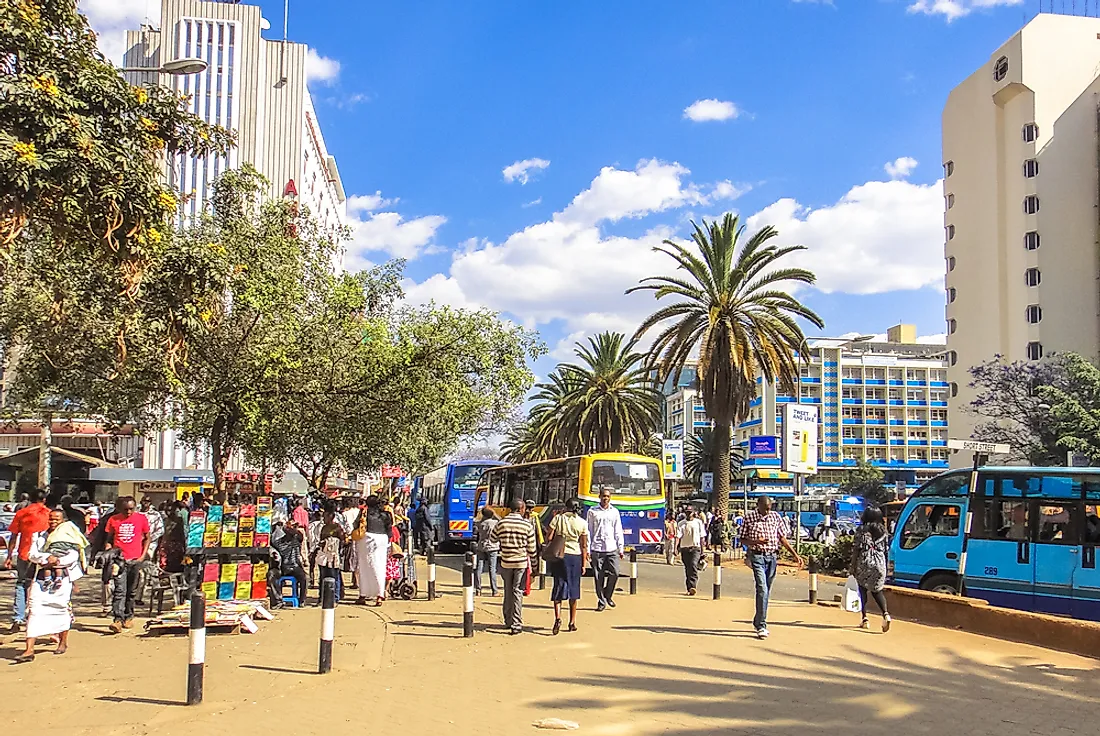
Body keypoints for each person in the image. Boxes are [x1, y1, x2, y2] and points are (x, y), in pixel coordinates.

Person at [13, 510, 88, 662]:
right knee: (34, 610)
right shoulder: (40, 535)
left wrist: (58, 561)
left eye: (57, 519)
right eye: (51, 519)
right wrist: (47, 558)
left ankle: (63, 642)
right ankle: (29, 649)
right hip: (40, 578)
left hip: (62, 580)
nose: (54, 521)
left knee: (61, 609)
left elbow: (73, 555)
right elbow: (32, 554)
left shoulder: (69, 535)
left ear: (63, 520)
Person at [741, 496, 803, 639]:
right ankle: (762, 625)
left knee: (766, 590)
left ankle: (758, 620)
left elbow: (782, 537)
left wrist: (795, 554)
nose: (768, 511)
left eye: (770, 508)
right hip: (757, 556)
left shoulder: (775, 517)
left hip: (772, 557)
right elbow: (742, 538)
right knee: (762, 588)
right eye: (765, 508)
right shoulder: (749, 518)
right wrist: (757, 541)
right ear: (759, 506)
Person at [4, 489, 50, 634]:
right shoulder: (49, 514)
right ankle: (41, 618)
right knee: (44, 585)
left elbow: (13, 536)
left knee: (22, 584)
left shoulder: (22, 513)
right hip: (44, 556)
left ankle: (18, 618)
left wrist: (10, 555)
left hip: (25, 553)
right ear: (44, 500)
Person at [103, 496, 151, 633]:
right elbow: (109, 539)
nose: (128, 512)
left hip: (135, 560)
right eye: (125, 509)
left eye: (131, 509)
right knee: (119, 590)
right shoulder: (113, 520)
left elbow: (148, 537)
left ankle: (128, 616)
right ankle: (117, 619)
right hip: (119, 560)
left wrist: (142, 556)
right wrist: (109, 554)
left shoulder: (141, 519)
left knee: (132, 591)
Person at [489, 497, 536, 635]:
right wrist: (534, 566)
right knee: (517, 592)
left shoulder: (501, 523)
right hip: (521, 563)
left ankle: (508, 620)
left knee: (508, 591)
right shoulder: (527, 525)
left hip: (506, 562)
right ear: (521, 509)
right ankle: (516, 623)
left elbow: (493, 539)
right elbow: (532, 549)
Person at [547, 498, 589, 635]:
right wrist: (584, 564)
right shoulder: (582, 523)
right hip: (575, 556)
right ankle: (572, 622)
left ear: (566, 507)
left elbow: (549, 537)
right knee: (573, 589)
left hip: (560, 555)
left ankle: (558, 618)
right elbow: (584, 545)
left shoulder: (558, 518)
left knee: (558, 585)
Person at [851, 507, 891, 633]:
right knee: (877, 590)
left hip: (865, 561)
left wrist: (852, 566)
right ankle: (885, 614)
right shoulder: (884, 531)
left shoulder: (861, 530)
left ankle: (865, 618)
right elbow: (886, 550)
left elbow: (857, 549)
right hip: (880, 562)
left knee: (862, 588)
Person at [587, 489, 624, 612]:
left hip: (611, 547)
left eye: (607, 496)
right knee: (599, 576)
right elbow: (589, 531)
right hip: (597, 548)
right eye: (603, 496)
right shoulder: (592, 511)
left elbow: (618, 530)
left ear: (610, 498)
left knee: (615, 572)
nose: (605, 498)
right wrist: (588, 549)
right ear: (599, 497)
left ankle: (608, 595)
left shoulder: (614, 512)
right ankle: (601, 601)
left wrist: (621, 547)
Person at [355, 495, 392, 606]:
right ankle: (380, 596)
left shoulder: (364, 513)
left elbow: (356, 525)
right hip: (382, 540)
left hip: (366, 539)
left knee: (364, 567)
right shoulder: (386, 514)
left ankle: (363, 595)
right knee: (380, 567)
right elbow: (389, 530)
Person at [269, 519, 309, 608]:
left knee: (305, 577)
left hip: (295, 567)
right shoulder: (278, 542)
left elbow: (299, 535)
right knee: (271, 575)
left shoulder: (297, 539)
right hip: (282, 567)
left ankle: (302, 600)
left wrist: (294, 528)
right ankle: (278, 600)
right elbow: (271, 544)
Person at [315, 509, 346, 603]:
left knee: (334, 576)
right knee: (322, 577)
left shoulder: (337, 527)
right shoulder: (324, 528)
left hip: (334, 555)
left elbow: (343, 540)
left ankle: (335, 597)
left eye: (325, 517)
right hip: (323, 555)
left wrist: (333, 543)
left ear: (330, 517)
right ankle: (322, 597)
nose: (323, 519)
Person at [676, 506, 707, 595]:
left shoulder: (698, 522)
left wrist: (702, 550)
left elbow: (702, 537)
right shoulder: (681, 523)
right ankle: (689, 588)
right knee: (687, 568)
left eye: (690, 512)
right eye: (687, 512)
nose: (688, 514)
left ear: (694, 513)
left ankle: (693, 586)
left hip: (695, 548)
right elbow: (678, 536)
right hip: (684, 549)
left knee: (693, 565)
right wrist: (675, 548)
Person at [473, 507, 500, 596]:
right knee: (492, 569)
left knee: (478, 568)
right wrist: (494, 512)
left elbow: (476, 521)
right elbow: (501, 520)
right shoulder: (494, 523)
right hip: (492, 546)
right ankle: (494, 590)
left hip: (481, 546)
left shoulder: (480, 523)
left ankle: (478, 589)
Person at [522, 499, 544, 596]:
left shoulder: (522, 517)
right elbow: (539, 530)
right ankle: (528, 584)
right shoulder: (535, 516)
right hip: (533, 544)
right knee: (532, 565)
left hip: (522, 544)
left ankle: (526, 584)